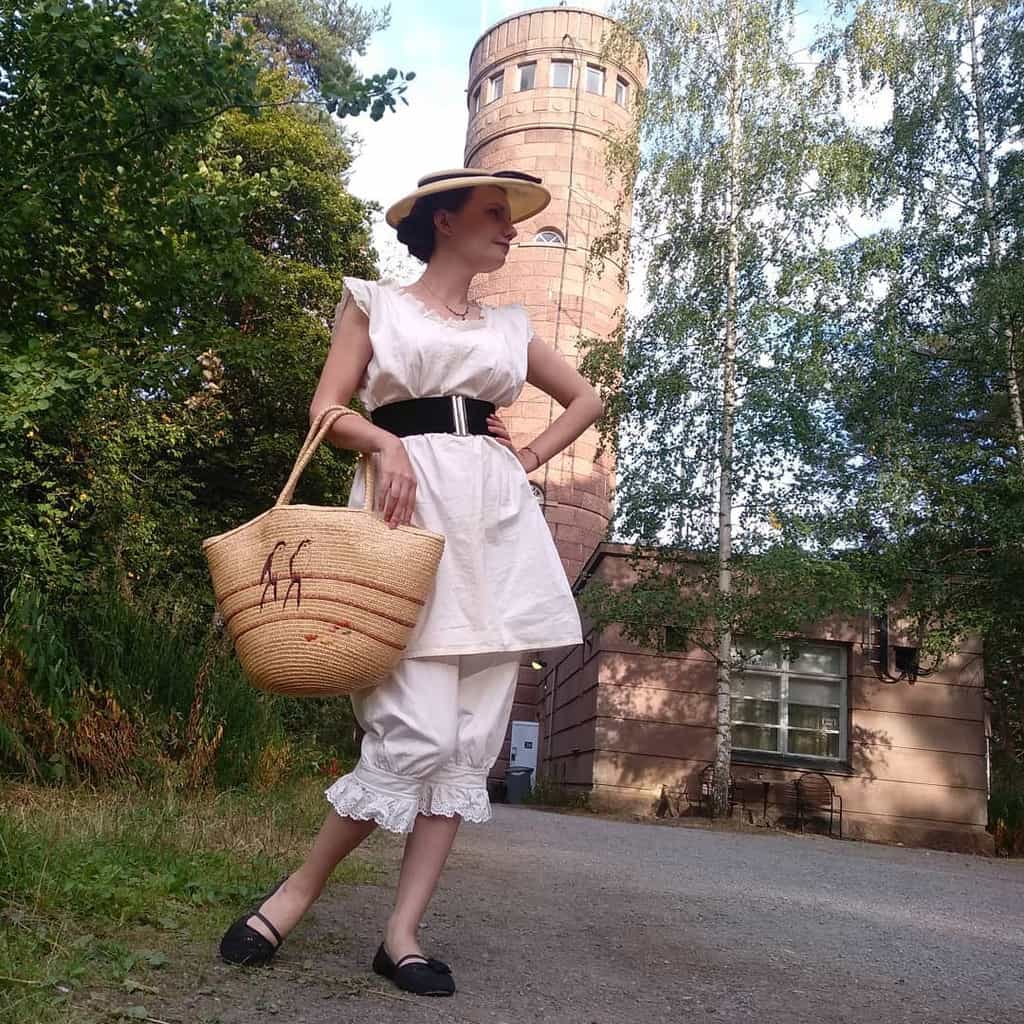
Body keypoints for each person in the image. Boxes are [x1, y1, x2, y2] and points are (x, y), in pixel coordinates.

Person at [218, 167, 604, 996]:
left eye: (511, 217)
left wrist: (527, 458)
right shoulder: (375, 304)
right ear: (442, 221)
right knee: (414, 737)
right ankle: (297, 892)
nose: (509, 228)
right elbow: (327, 407)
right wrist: (384, 445)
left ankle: (401, 934)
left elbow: (586, 396)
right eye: (495, 214)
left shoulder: (507, 325)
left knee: (466, 747)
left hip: (497, 535)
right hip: (407, 524)